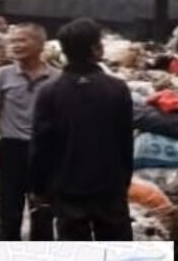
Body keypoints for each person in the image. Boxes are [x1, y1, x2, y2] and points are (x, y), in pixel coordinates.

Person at [30, 17, 134, 240]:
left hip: (67, 188)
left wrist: (40, 188)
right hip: (110, 187)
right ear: (95, 49)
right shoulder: (117, 89)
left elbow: (41, 144)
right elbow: (126, 141)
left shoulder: (49, 92)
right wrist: (123, 181)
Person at [0, 23, 59, 240]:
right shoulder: (2, 75)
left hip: (45, 150)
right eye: (13, 41)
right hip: (11, 148)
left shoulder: (56, 78)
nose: (16, 45)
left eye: (22, 40)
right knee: (8, 209)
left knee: (43, 210)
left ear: (40, 44)